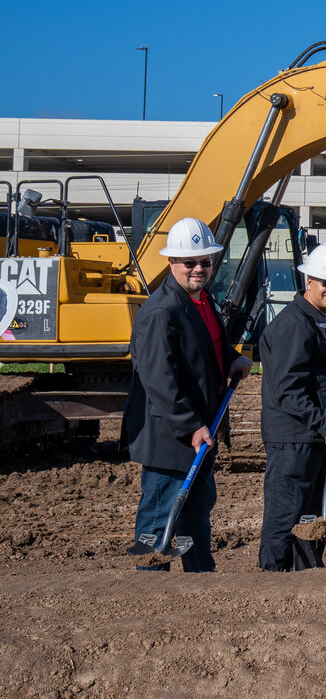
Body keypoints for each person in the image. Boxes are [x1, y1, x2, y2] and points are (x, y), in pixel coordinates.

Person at [122, 217, 251, 572]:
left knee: (196, 509)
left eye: (204, 262)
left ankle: (199, 575)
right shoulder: (160, 313)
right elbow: (160, 380)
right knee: (161, 512)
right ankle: (149, 581)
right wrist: (191, 425)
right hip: (172, 435)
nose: (198, 268)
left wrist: (231, 357)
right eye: (189, 262)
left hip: (201, 429)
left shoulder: (203, 300)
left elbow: (208, 348)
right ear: (171, 263)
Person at [257, 242, 326, 571]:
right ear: (309, 281)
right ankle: (272, 580)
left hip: (312, 434)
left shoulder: (321, 319)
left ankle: (306, 578)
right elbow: (289, 389)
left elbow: (314, 356)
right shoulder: (294, 324)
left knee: (312, 515)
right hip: (295, 436)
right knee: (286, 516)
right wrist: (325, 424)